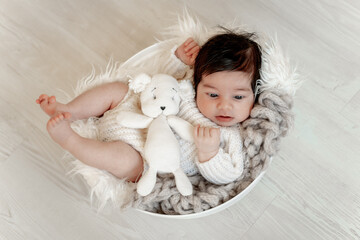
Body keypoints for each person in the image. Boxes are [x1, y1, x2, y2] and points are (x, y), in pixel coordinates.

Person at [36, 29, 261, 185]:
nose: (224, 105)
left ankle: (70, 140)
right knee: (117, 89)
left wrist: (209, 153)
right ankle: (70, 110)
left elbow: (231, 173)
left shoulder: (229, 135)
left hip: (142, 155)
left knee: (121, 160)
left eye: (239, 98)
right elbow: (162, 77)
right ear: (198, 82)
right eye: (212, 94)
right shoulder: (189, 85)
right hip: (135, 111)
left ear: (254, 94)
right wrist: (178, 59)